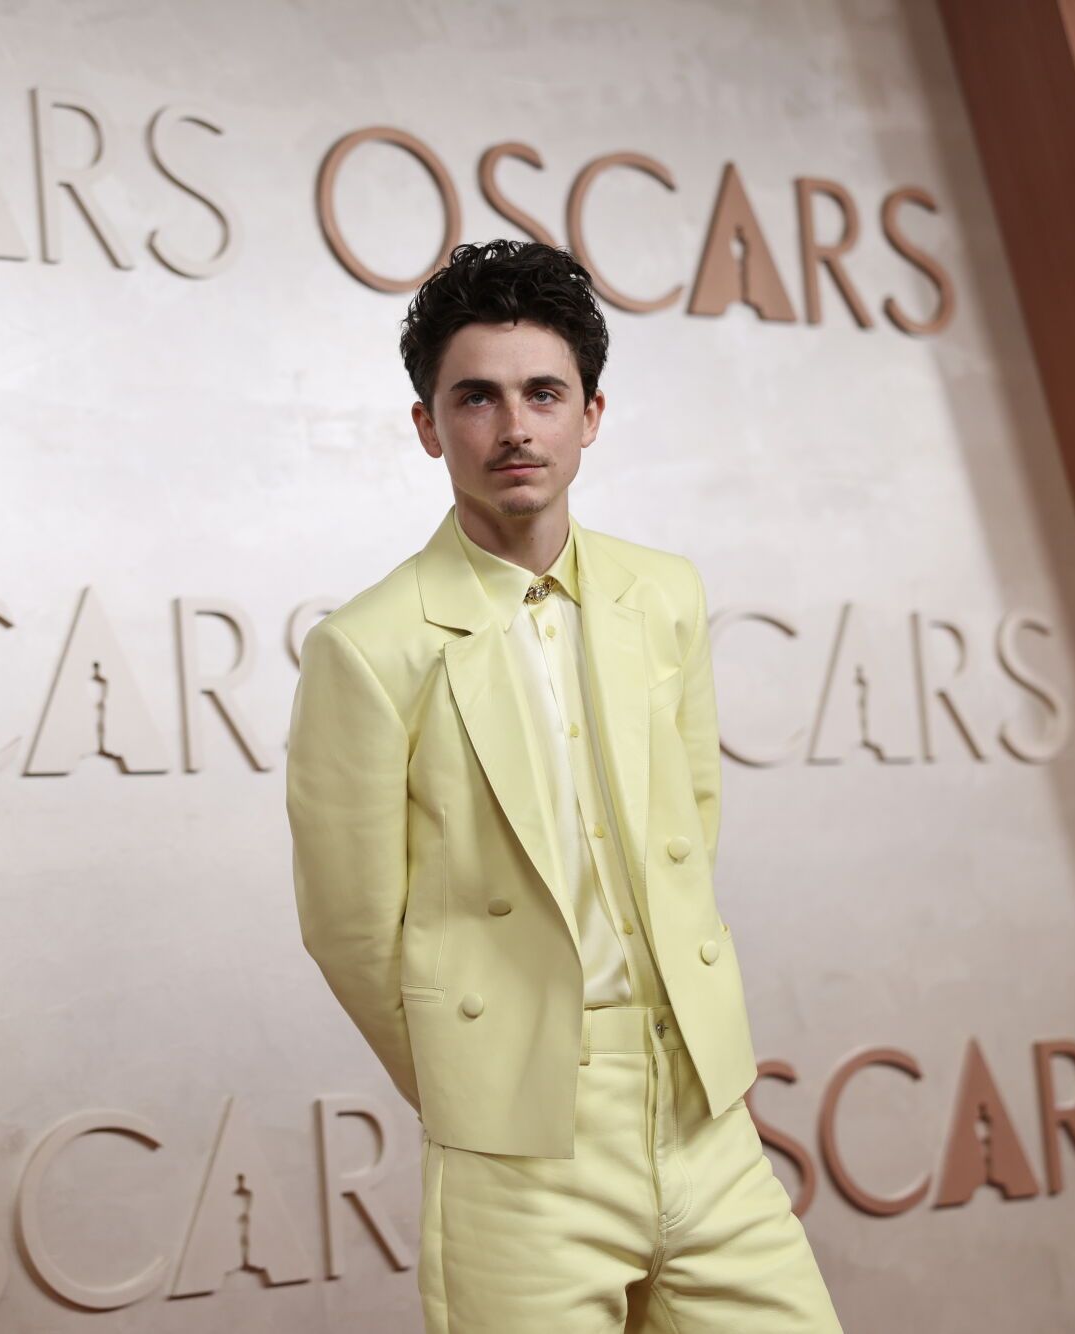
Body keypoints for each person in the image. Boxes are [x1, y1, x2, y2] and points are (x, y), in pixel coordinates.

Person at [286, 239, 844, 1332]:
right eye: (476, 398)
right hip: (520, 1140)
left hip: (701, 1105)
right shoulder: (366, 645)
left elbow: (691, 825)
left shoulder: (663, 593)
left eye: (543, 393)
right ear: (426, 425)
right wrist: (481, 1069)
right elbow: (350, 927)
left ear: (589, 413)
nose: (513, 427)